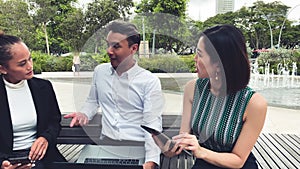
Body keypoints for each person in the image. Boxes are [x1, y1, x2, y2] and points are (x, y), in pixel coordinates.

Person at [154, 24, 267, 169]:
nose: (195, 59)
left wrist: (201, 151)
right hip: (204, 163)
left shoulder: (253, 103)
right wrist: (172, 147)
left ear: (219, 63)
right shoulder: (193, 89)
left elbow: (238, 160)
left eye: (200, 54)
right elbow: (184, 135)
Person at [64, 20, 164, 169]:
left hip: (137, 148)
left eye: (116, 46)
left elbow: (152, 125)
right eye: (108, 45)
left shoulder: (149, 81)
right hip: (106, 146)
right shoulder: (100, 72)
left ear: (133, 48)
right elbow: (92, 101)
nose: (109, 51)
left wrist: (151, 161)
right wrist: (84, 114)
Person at [0, 32, 66, 169]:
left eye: (30, 59)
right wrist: (2, 164)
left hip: (43, 158)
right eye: (22, 64)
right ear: (3, 69)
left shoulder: (43, 87)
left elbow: (54, 121)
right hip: (8, 160)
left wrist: (45, 138)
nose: (30, 66)